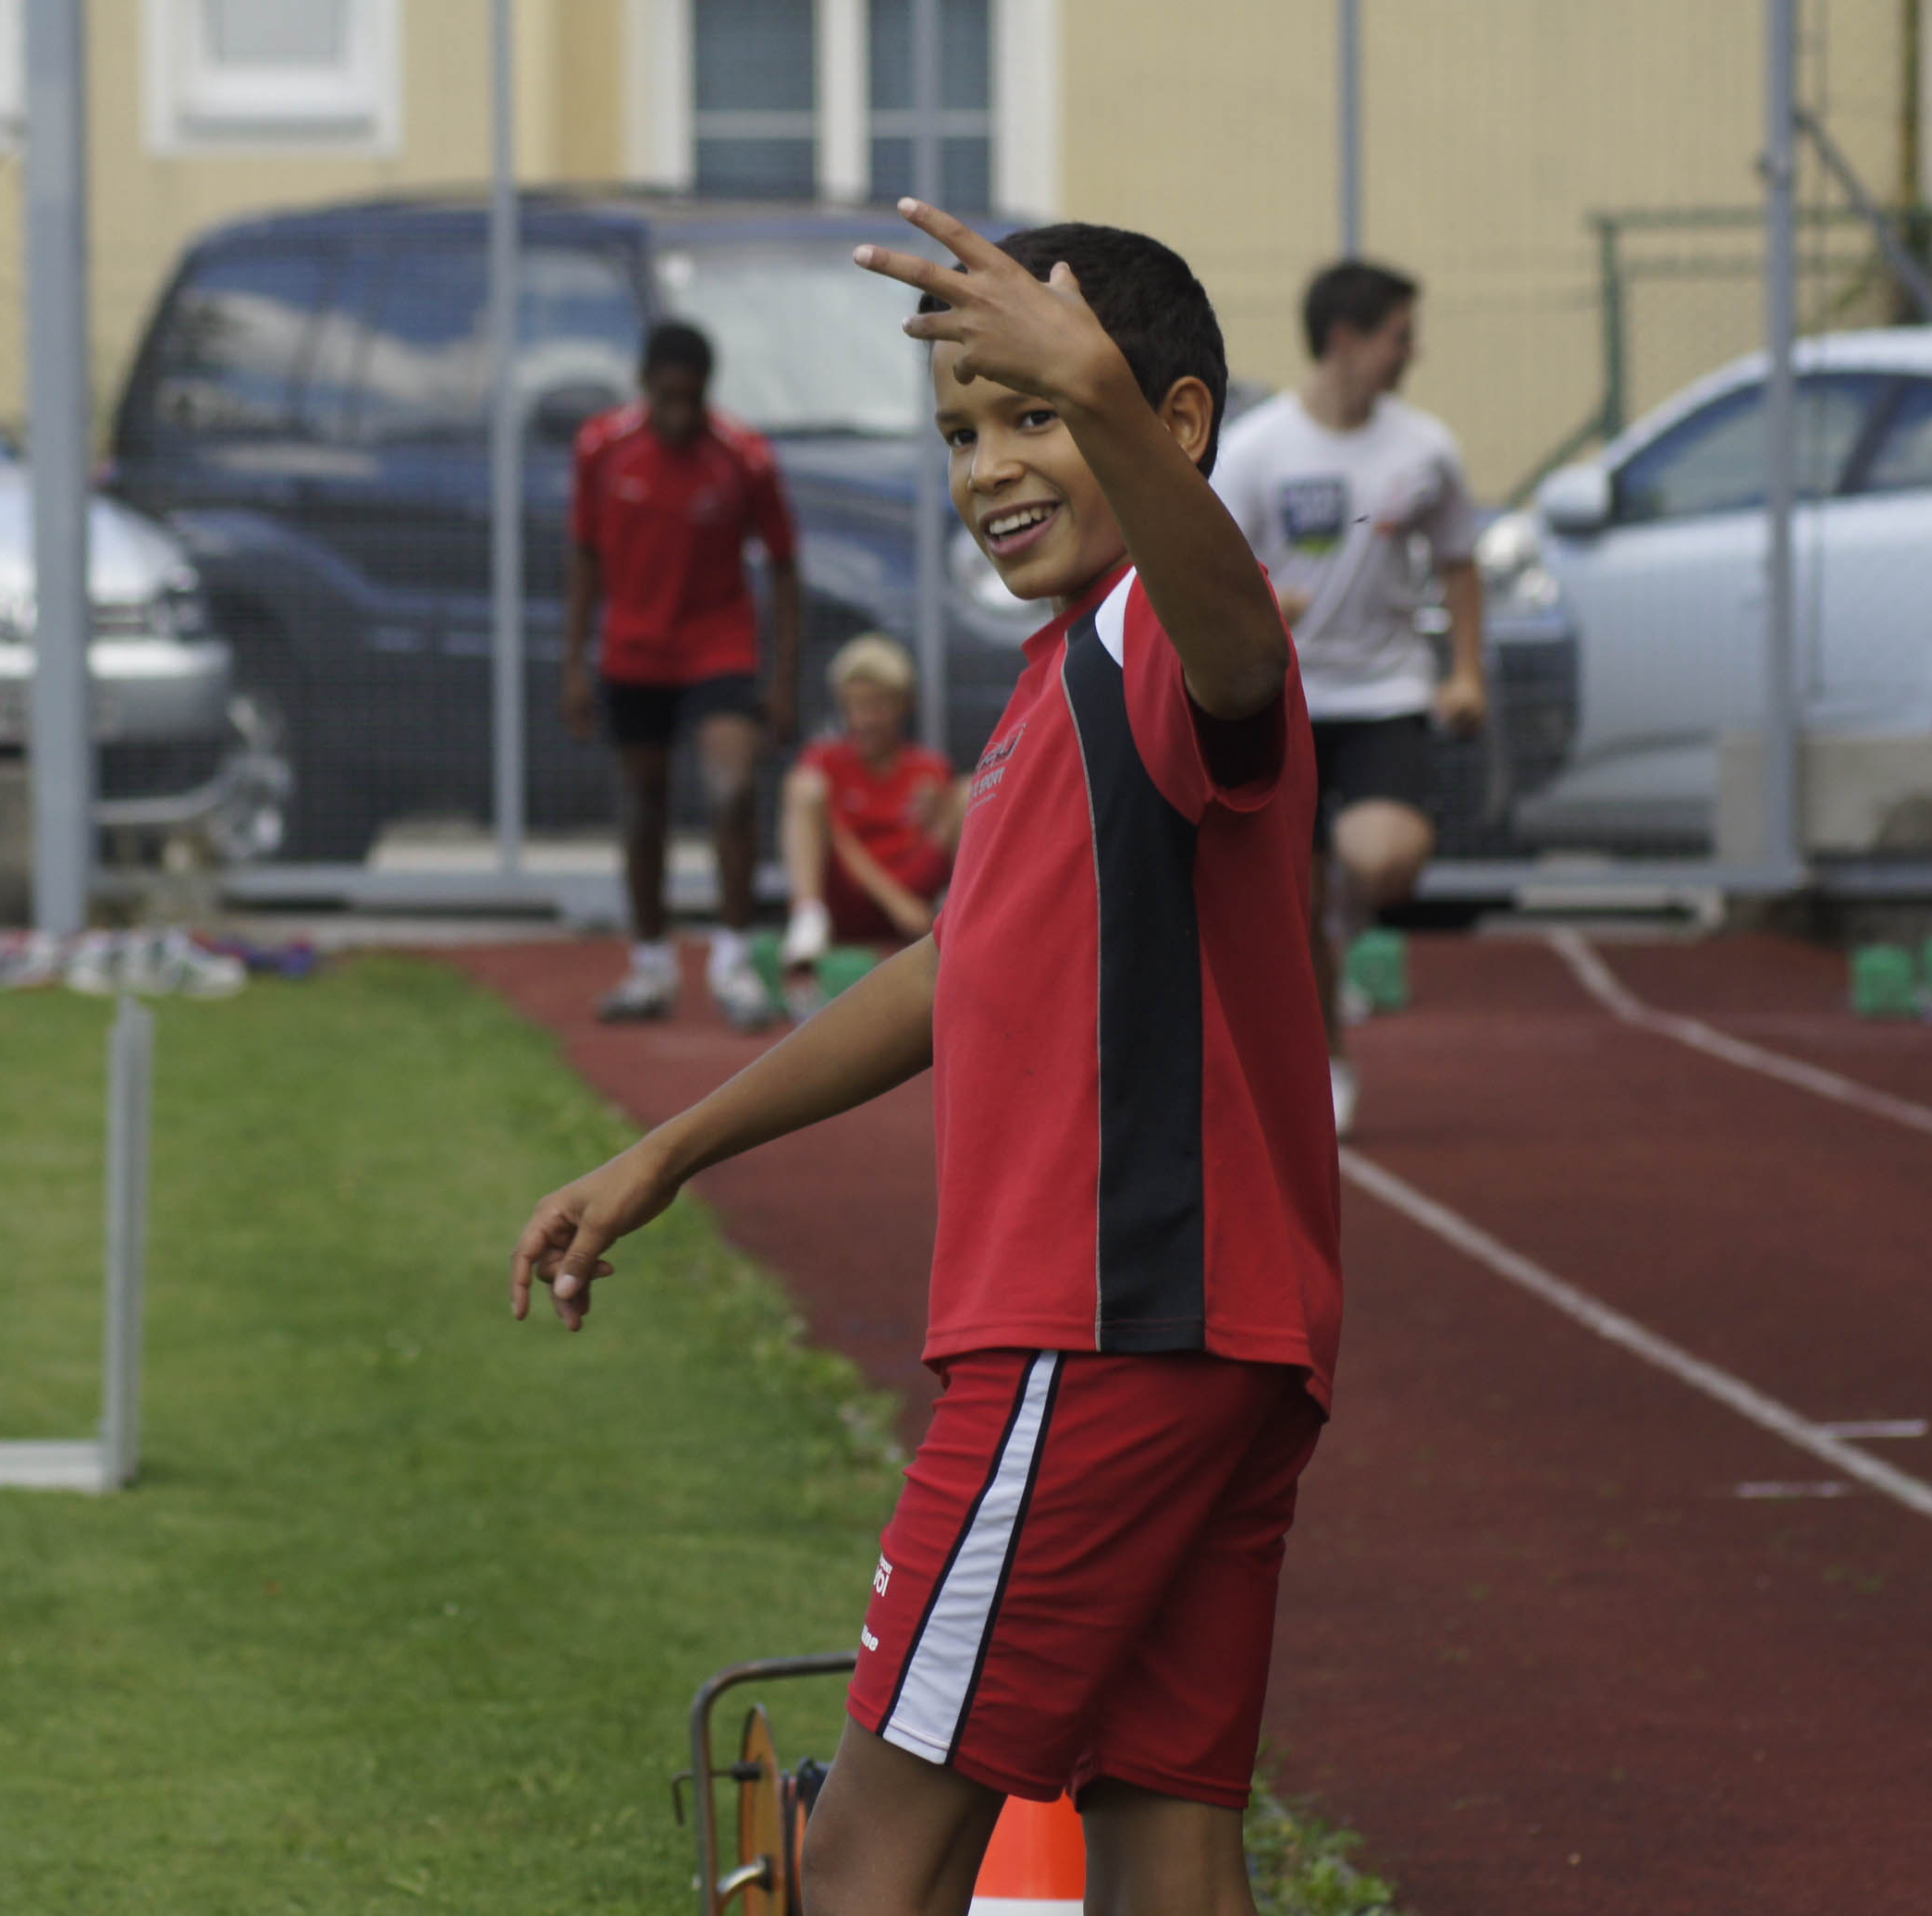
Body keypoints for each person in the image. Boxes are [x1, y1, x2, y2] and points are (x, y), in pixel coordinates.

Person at [512, 203, 1337, 1916]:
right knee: (1168, 1842)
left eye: (1035, 411)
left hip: (1100, 1327)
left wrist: (1092, 386)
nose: (990, 465)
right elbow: (949, 971)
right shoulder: (1061, 676)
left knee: (863, 1860)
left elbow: (1245, 647)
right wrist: (666, 1151)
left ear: (1172, 421)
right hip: (1210, 1336)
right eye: (962, 430)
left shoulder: (1168, 632)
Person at [1212, 260, 1483, 1137]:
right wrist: (1263, 605)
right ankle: (1328, 1060)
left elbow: (1460, 561)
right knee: (1290, 907)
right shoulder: (1257, 449)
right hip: (1282, 694)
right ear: (1345, 339)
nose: (1413, 353)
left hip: (1384, 691)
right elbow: (1210, 569)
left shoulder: (1425, 448)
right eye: (1400, 336)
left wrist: (1467, 671)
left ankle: (1344, 909)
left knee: (1385, 859)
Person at [563, 322, 803, 1029]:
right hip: (634, 651)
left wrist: (783, 681)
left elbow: (785, 568)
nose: (679, 414)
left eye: (692, 400)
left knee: (734, 792)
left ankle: (733, 964)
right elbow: (583, 556)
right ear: (644, 386)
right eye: (666, 397)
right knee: (644, 806)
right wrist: (573, 662)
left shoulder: (744, 457)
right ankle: (651, 966)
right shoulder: (601, 448)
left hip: (717, 648)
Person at [777, 633, 966, 1015]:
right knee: (802, 786)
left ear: (904, 706)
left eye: (878, 706)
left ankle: (965, 919)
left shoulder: (929, 769)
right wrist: (896, 903)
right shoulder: (825, 762)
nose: (864, 720)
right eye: (855, 706)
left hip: (914, 896)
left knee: (972, 789)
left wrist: (938, 815)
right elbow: (838, 840)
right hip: (850, 895)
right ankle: (807, 918)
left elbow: (929, 855)